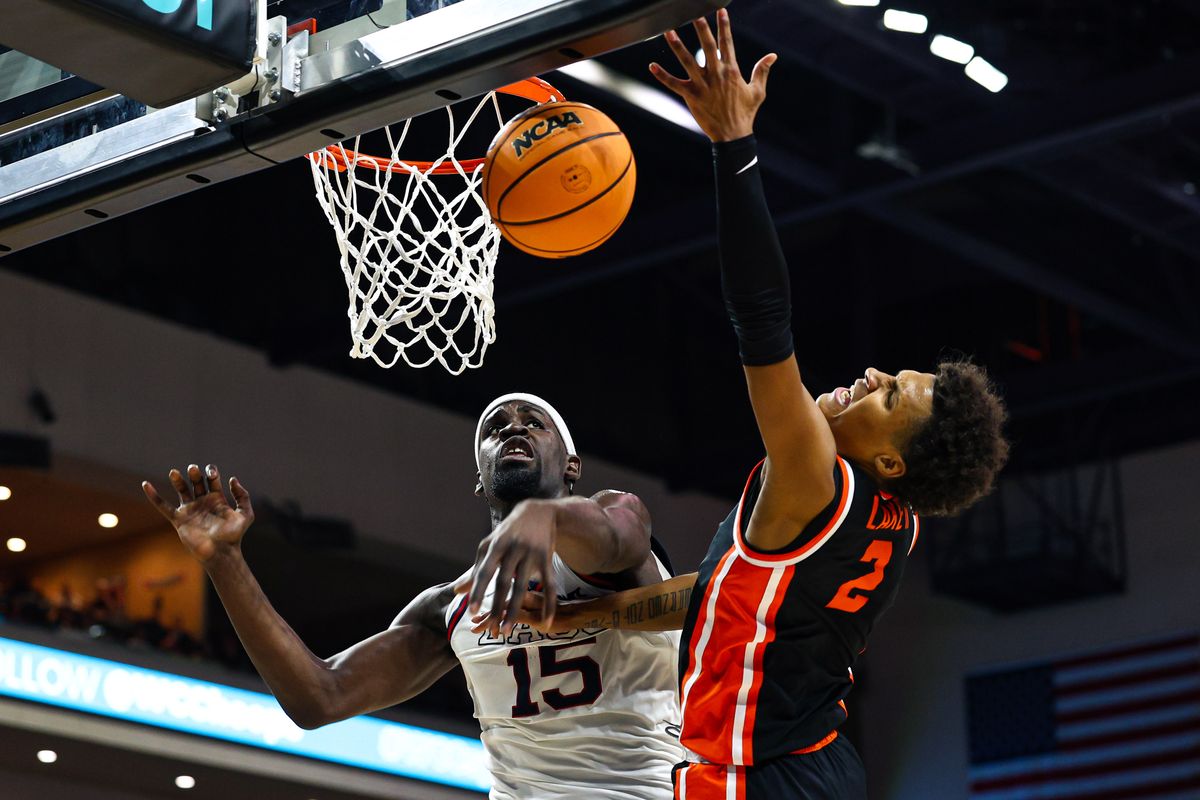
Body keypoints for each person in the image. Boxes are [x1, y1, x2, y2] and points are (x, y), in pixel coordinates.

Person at [468, 12, 1009, 799]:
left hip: (753, 778)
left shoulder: (816, 475)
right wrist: (609, 616)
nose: (869, 375)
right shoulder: (897, 516)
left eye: (890, 394)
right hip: (820, 766)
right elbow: (726, 596)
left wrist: (731, 143)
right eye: (891, 372)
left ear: (890, 456)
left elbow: (762, 319)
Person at [141, 392, 681, 800]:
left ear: (572, 467)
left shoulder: (614, 515)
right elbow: (319, 697)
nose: (513, 429)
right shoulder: (452, 606)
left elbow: (617, 538)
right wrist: (225, 564)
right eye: (496, 428)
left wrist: (545, 516)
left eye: (533, 424)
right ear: (480, 482)